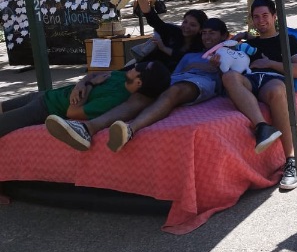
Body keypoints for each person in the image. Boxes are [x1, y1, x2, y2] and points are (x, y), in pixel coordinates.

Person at [45, 18, 231, 153]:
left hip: (203, 82)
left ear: (224, 35)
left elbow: (231, 81)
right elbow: (175, 73)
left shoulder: (230, 52)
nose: (207, 37)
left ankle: (130, 129)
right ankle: (88, 129)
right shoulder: (191, 55)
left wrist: (218, 68)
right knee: (143, 94)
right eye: (204, 33)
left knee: (175, 91)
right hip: (180, 77)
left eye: (212, 33)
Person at [221, 0, 297, 190]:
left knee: (277, 91)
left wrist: (269, 63)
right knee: (228, 77)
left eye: (265, 16)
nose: (261, 21)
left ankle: (291, 162)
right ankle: (262, 126)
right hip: (251, 78)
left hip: (272, 79)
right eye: (256, 17)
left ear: (274, 16)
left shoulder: (287, 40)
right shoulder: (250, 42)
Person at [0, 61, 170, 141]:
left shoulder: (115, 100)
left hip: (44, 108)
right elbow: (93, 74)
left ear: (139, 82)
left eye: (137, 69)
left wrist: (87, 85)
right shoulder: (121, 77)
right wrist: (82, 82)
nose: (133, 67)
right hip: (45, 95)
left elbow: (72, 113)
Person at [134, 0, 207, 71]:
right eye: (185, 22)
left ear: (201, 29)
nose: (187, 26)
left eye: (193, 25)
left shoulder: (201, 45)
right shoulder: (172, 31)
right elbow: (153, 19)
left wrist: (164, 48)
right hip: (146, 68)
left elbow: (185, 59)